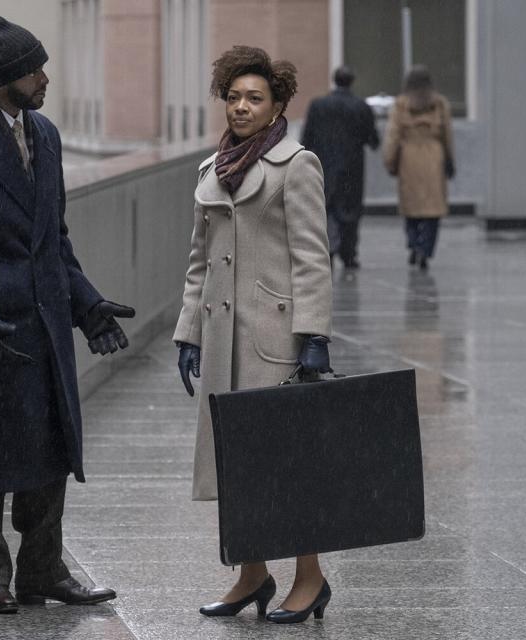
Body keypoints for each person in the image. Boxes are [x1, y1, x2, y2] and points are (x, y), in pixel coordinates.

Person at [0, 14, 135, 614]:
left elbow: (53, 240)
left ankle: (42, 569)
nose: (45, 79)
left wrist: (88, 307)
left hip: (43, 325)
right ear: (4, 77)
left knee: (47, 456)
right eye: (35, 69)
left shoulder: (47, 136)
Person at [172, 45, 334, 624]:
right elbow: (199, 261)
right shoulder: (210, 170)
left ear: (276, 105)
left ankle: (310, 578)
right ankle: (252, 574)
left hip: (274, 338)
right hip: (221, 338)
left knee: (286, 462)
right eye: (234, 96)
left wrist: (314, 335)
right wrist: (188, 332)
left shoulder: (297, 165)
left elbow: (313, 257)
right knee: (236, 463)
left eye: (254, 98)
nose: (241, 106)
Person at [301, 66, 380, 269]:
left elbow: (307, 136)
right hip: (352, 167)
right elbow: (373, 140)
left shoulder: (319, 105)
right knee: (350, 211)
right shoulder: (360, 106)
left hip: (324, 165)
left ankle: (327, 248)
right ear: (351, 81)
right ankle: (348, 253)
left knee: (325, 208)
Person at [383, 65, 455, 271]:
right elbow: (447, 136)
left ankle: (414, 243)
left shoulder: (401, 105)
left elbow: (393, 136)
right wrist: (450, 160)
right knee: (433, 210)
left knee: (411, 208)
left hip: (409, 159)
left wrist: (390, 161)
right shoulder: (440, 104)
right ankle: (426, 249)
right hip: (434, 157)